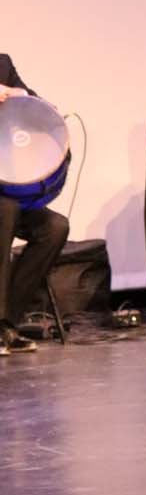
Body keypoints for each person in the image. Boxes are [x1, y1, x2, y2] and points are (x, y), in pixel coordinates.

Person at [0, 54, 70, 355]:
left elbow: (38, 106)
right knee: (6, 210)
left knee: (55, 227)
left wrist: (15, 93)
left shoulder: (2, 64)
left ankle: (7, 323)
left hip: (4, 188)